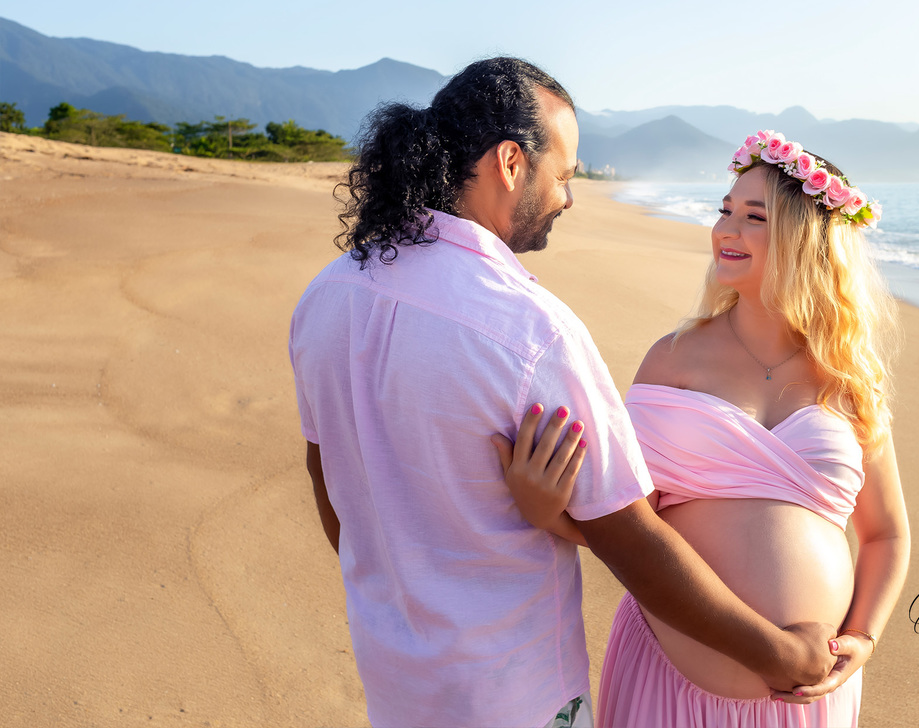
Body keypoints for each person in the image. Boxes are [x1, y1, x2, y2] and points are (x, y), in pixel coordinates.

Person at [289, 63, 837, 728]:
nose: (569, 199)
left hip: (397, 682)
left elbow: (331, 484)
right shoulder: (529, 331)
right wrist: (778, 652)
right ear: (512, 163)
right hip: (516, 695)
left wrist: (399, 591)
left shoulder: (328, 294)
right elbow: (630, 539)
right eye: (566, 175)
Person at [503, 130, 911, 727]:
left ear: (806, 238)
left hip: (809, 700)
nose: (725, 229)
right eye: (724, 211)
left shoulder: (848, 380)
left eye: (752, 216)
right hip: (670, 684)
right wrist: (550, 514)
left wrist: (865, 639)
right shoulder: (675, 358)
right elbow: (629, 521)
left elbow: (885, 536)